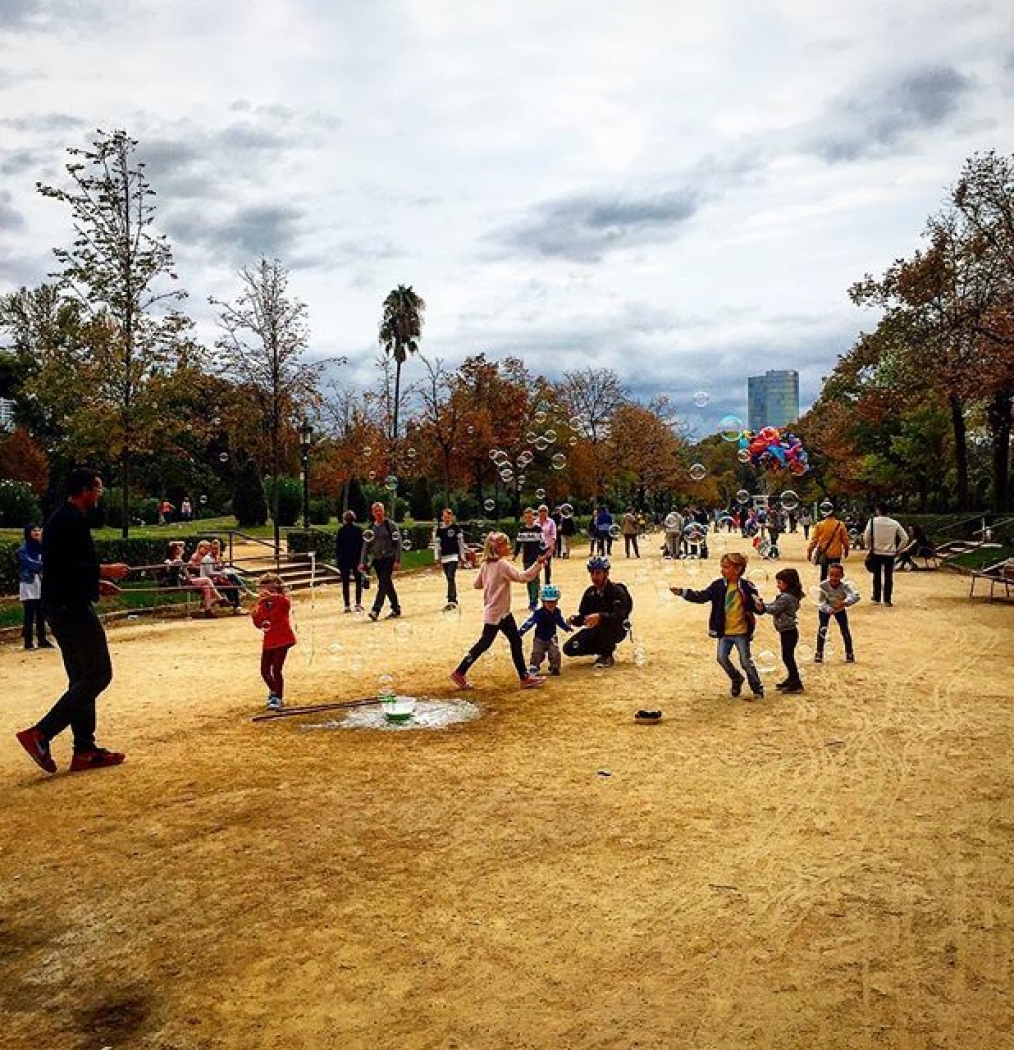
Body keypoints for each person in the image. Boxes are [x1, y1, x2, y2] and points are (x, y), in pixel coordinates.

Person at [15, 467, 130, 774]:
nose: (99, 495)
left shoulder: (62, 518)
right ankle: (41, 734)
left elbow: (65, 569)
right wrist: (103, 571)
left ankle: (84, 750)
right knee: (98, 674)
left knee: (82, 678)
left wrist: (94, 585)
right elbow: (69, 565)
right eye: (98, 489)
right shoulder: (71, 519)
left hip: (62, 604)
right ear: (84, 490)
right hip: (71, 608)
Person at [450, 531, 549, 690]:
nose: (509, 547)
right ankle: (459, 672)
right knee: (485, 644)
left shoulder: (486, 565)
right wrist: (538, 565)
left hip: (499, 612)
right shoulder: (502, 565)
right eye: (506, 545)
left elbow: (477, 584)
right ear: (498, 547)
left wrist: (491, 581)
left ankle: (524, 677)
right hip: (498, 613)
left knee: (514, 641)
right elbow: (523, 577)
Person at [671, 551, 764, 700]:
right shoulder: (718, 585)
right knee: (721, 658)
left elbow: (756, 606)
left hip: (741, 631)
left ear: (738, 569)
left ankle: (757, 688)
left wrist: (759, 607)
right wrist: (683, 593)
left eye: (726, 567)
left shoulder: (747, 587)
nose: (722, 570)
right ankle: (736, 679)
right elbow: (702, 596)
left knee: (746, 661)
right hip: (724, 631)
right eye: (722, 567)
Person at [563, 555, 631, 670]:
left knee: (603, 625)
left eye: (598, 573)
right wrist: (573, 620)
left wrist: (601, 616)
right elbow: (584, 617)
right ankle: (600, 650)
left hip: (615, 629)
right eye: (592, 573)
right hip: (596, 630)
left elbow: (620, 615)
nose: (594, 577)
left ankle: (606, 654)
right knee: (568, 648)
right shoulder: (589, 593)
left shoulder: (617, 591)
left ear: (606, 573)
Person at [755, 567, 805, 694]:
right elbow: (774, 606)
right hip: (788, 631)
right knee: (787, 656)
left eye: (780, 582)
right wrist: (764, 605)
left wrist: (762, 607)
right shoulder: (789, 596)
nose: (777, 585)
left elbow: (774, 609)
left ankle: (796, 683)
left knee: (788, 657)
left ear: (788, 583)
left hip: (788, 632)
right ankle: (791, 679)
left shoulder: (786, 598)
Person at [251, 572, 297, 710]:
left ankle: (278, 697)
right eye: (264, 590)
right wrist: (255, 615)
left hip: (283, 639)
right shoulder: (262, 604)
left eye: (271, 590)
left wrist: (271, 596)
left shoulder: (282, 601)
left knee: (276, 669)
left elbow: (284, 602)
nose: (267, 593)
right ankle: (273, 691)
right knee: (264, 670)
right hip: (269, 640)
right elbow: (260, 624)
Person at [360, 502, 402, 620]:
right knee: (387, 584)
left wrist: (397, 560)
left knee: (383, 584)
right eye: (376, 511)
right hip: (377, 559)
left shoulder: (390, 525)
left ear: (384, 512)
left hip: (389, 557)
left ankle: (375, 610)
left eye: (380, 510)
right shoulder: (370, 528)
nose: (378, 513)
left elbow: (398, 543)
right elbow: (365, 546)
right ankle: (396, 608)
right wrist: (362, 562)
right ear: (372, 513)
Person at [519, 583, 572, 677]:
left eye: (554, 602)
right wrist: (522, 631)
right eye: (548, 602)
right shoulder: (539, 613)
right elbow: (530, 622)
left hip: (552, 637)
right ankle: (534, 667)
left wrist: (566, 628)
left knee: (555, 653)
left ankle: (555, 667)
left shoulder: (557, 611)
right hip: (539, 638)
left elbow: (560, 621)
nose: (551, 604)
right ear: (543, 601)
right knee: (537, 653)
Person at [863, 504, 909, 607]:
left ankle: (876, 597)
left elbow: (866, 536)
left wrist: (869, 547)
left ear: (878, 510)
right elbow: (905, 538)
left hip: (876, 552)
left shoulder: (872, 521)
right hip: (890, 553)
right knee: (889, 576)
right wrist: (898, 550)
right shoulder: (894, 523)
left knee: (877, 575)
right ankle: (887, 599)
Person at [164, 541, 224, 616]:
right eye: (178, 548)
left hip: (185, 580)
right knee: (207, 579)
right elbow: (171, 572)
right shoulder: (173, 561)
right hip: (182, 582)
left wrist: (190, 575)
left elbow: (183, 543)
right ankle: (219, 598)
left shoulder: (178, 559)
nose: (181, 548)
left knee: (206, 587)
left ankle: (207, 610)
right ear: (174, 551)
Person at [815, 562, 859, 663]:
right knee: (822, 630)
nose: (834, 578)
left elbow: (855, 596)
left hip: (840, 610)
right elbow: (821, 601)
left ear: (842, 576)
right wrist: (828, 609)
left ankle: (849, 653)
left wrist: (845, 603)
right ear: (828, 575)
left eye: (837, 575)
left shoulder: (845, 586)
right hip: (825, 610)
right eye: (831, 575)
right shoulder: (823, 585)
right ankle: (819, 652)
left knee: (845, 630)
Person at [18, 524, 52, 650]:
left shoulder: (42, 547)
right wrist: (45, 565)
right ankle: (28, 642)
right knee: (29, 614)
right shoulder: (23, 549)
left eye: (38, 530)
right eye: (34, 530)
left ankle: (42, 639)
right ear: (28, 533)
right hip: (28, 583)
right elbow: (30, 564)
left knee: (41, 613)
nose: (37, 532)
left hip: (41, 583)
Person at [433, 507, 468, 610]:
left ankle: (451, 599)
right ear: (442, 518)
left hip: (453, 556)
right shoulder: (439, 530)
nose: (447, 519)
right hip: (444, 557)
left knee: (450, 576)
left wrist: (462, 556)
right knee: (449, 578)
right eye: (445, 517)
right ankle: (453, 598)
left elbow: (461, 543)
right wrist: (436, 557)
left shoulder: (456, 528)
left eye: (448, 517)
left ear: (452, 517)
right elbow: (437, 545)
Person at [514, 506, 547, 611]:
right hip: (526, 558)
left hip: (536, 558)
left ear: (534, 518)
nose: (528, 519)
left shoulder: (538, 529)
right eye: (526, 517)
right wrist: (515, 554)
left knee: (535, 580)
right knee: (528, 579)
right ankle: (531, 600)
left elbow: (543, 543)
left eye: (530, 517)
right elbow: (518, 543)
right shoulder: (522, 530)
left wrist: (542, 555)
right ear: (524, 518)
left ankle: (534, 601)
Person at [806, 504, 849, 582]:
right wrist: (846, 551)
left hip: (824, 554)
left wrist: (809, 552)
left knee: (824, 573)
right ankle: (835, 591)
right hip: (836, 553)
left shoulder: (820, 525)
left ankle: (823, 592)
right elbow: (845, 540)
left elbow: (814, 541)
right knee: (836, 574)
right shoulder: (840, 525)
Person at [336, 510, 365, 613]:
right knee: (358, 581)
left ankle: (347, 605)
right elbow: (362, 546)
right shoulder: (358, 530)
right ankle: (358, 603)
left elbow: (338, 547)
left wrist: (338, 560)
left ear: (344, 519)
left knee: (345, 583)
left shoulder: (341, 530)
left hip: (344, 559)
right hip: (356, 559)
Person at [537, 505, 557, 584]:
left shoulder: (551, 522)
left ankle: (547, 582)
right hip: (538, 547)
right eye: (541, 511)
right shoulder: (536, 522)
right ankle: (536, 581)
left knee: (547, 565)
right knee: (536, 565)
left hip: (547, 546)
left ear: (547, 512)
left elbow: (553, 534)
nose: (542, 513)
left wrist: (552, 545)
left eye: (544, 511)